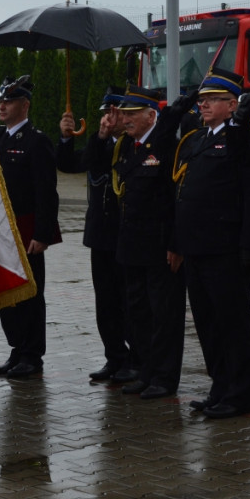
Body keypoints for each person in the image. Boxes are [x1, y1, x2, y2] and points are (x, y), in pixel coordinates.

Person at [167, 69, 250, 418]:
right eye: (202, 99)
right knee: (208, 324)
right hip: (197, 248)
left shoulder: (247, 140)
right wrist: (178, 243)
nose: (203, 103)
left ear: (232, 105)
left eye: (212, 99)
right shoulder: (196, 139)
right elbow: (183, 195)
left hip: (227, 249)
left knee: (234, 324)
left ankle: (239, 396)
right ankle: (220, 387)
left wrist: (248, 247)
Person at [99, 85, 186, 400]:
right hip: (132, 246)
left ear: (152, 115)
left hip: (160, 247)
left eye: (133, 113)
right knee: (138, 315)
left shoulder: (166, 147)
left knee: (164, 316)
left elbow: (177, 202)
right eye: (124, 113)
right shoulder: (129, 148)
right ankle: (146, 372)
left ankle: (164, 377)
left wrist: (176, 245)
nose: (126, 118)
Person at [56, 87, 133, 382]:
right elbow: (71, 164)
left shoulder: (131, 142)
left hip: (124, 233)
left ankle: (133, 357)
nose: (108, 118)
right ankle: (114, 356)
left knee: (127, 300)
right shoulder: (98, 141)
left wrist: (106, 139)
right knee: (106, 301)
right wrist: (65, 136)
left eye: (113, 112)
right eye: (105, 113)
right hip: (100, 234)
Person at [0, 80, 61, 379]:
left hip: (26, 229)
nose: (2, 106)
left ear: (25, 105)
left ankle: (32, 355)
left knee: (29, 294)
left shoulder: (36, 140)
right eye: (0, 102)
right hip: (2, 230)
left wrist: (43, 234)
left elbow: (47, 191)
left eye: (10, 101)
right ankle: (17, 348)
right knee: (7, 292)